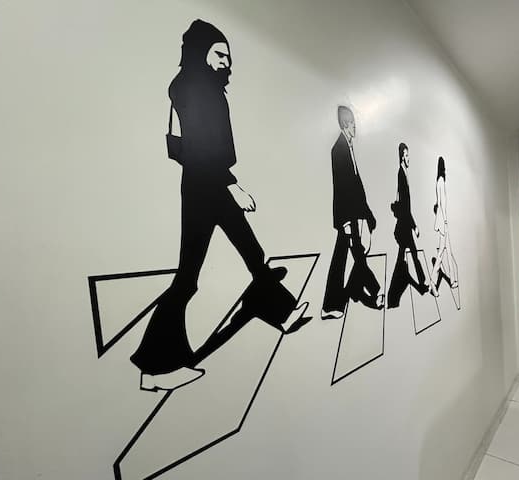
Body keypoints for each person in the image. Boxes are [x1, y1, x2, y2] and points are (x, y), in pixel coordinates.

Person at [131, 20, 305, 391]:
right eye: (220, 54)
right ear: (202, 52)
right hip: (203, 186)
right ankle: (155, 367)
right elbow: (199, 145)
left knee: (252, 253)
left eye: (228, 56)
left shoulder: (202, 86)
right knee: (188, 277)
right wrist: (232, 184)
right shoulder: (193, 87)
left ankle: (283, 312)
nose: (227, 62)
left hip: (211, 183)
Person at [322, 106, 384, 320]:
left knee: (346, 256)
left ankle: (331, 305)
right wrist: (346, 222)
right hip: (347, 216)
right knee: (354, 255)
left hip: (353, 215)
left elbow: (356, 186)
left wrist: (367, 214)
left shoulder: (347, 147)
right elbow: (340, 188)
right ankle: (374, 292)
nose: (355, 126)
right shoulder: (338, 149)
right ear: (345, 124)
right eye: (352, 123)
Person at [387, 143, 428, 308]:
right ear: (402, 157)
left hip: (404, 225)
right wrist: (414, 225)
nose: (409, 157)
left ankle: (394, 297)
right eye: (407, 155)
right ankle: (420, 284)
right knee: (412, 254)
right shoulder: (401, 174)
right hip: (404, 226)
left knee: (405, 256)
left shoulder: (404, 173)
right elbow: (404, 206)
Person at [431, 156, 460, 308]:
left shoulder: (439, 181)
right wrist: (446, 221)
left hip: (441, 221)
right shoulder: (441, 181)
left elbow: (438, 203)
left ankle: (453, 280)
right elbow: (441, 204)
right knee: (442, 252)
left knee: (447, 251)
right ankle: (432, 282)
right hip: (443, 222)